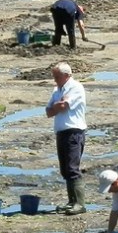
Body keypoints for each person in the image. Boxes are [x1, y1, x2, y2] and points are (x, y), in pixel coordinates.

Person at [46, 62, 88, 215]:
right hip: (61, 132)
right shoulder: (57, 90)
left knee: (72, 168)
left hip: (74, 132)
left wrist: (58, 105)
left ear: (66, 75)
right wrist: (58, 104)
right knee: (65, 169)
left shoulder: (76, 87)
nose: (55, 79)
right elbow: (49, 111)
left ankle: (80, 204)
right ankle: (72, 201)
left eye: (57, 76)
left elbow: (63, 107)